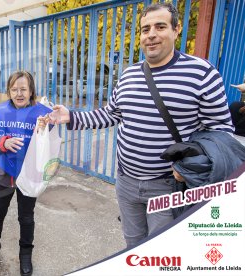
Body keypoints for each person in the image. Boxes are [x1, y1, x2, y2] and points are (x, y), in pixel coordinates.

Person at [42, 3, 233, 248]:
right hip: (126, 183)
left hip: (168, 186)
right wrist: (70, 116)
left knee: (161, 251)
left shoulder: (202, 73)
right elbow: (111, 114)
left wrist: (189, 167)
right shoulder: (128, 75)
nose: (151, 34)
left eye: (160, 26)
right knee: (133, 246)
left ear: (176, 30)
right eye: (145, 29)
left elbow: (221, 133)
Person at [0, 71, 51, 276]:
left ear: (31, 90)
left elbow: (48, 140)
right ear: (8, 91)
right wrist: (2, 142)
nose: (19, 93)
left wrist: (46, 127)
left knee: (26, 217)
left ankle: (25, 254)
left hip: (29, 176)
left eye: (23, 89)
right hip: (3, 173)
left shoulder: (42, 113)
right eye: (14, 89)